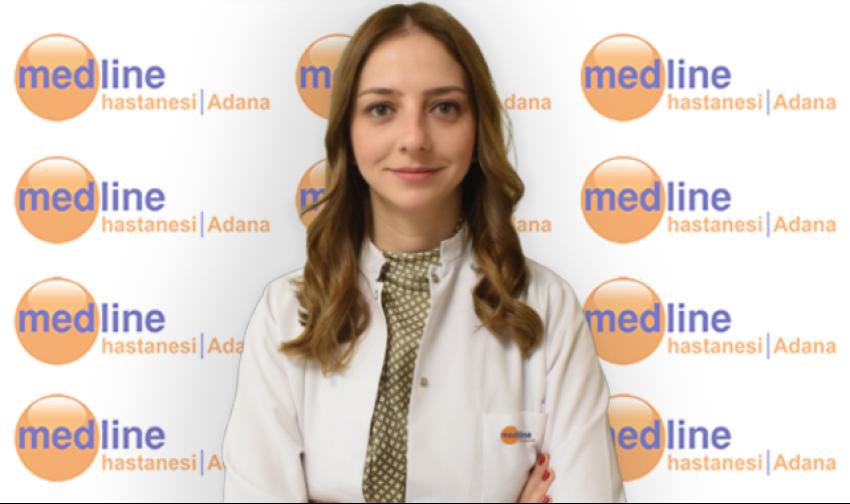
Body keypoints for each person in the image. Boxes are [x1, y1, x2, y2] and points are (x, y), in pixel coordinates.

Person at [222, 2, 625, 502]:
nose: (413, 139)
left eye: (444, 107)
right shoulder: (286, 313)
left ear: (478, 128)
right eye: (381, 109)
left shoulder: (547, 307)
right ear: (348, 131)